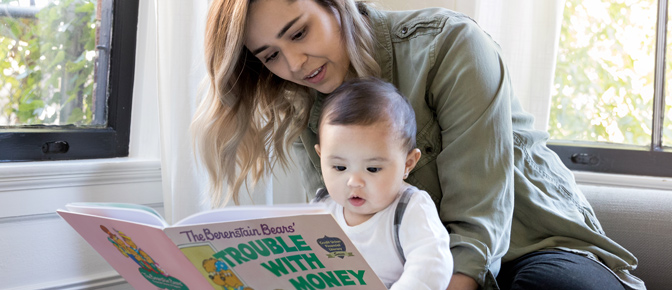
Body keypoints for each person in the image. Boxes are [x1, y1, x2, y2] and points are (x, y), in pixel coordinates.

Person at [192, 0, 645, 289]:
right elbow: (343, 231)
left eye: (298, 32)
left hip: (535, 247)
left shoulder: (448, 45)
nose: (292, 63)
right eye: (269, 55)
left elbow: (480, 216)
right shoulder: (307, 108)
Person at [311, 77, 453, 289]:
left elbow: (431, 267)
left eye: (373, 169)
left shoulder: (410, 208)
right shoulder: (322, 207)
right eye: (340, 168)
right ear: (321, 157)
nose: (354, 182)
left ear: (408, 163)